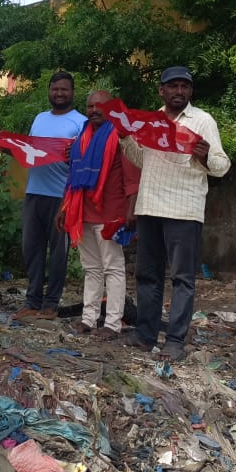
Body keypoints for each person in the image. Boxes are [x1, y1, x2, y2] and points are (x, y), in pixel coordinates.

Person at [120, 66, 230, 361]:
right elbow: (141, 160)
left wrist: (206, 155)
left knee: (182, 278)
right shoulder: (151, 121)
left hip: (184, 209)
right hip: (150, 206)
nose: (179, 91)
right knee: (147, 275)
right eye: (173, 86)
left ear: (190, 91)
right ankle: (145, 335)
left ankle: (175, 342)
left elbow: (222, 165)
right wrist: (125, 139)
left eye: (184, 86)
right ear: (162, 90)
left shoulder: (203, 121)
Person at [58, 90, 139, 338]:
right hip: (83, 212)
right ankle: (88, 320)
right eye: (90, 105)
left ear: (111, 108)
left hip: (111, 213)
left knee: (113, 268)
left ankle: (113, 324)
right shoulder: (82, 136)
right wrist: (65, 208)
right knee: (91, 269)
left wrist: (131, 207)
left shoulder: (120, 136)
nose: (94, 110)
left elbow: (132, 175)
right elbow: (73, 175)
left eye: (99, 106)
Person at [15, 71, 86, 320]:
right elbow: (31, 150)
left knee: (58, 253)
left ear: (72, 93)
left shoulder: (81, 122)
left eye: (64, 89)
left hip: (62, 196)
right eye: (55, 89)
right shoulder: (39, 118)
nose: (59, 93)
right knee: (31, 249)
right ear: (49, 91)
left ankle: (51, 304)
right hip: (34, 192)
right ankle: (32, 301)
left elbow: (86, 160)